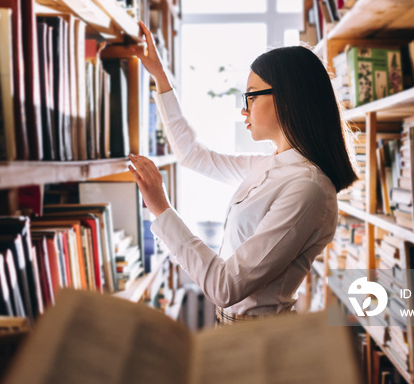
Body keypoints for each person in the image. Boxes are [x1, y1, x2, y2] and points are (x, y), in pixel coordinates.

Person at [129, 21, 358, 325]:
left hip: (259, 340)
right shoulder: (272, 165)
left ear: (287, 99)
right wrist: (160, 76)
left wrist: (160, 207)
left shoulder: (307, 189)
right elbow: (193, 155)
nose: (244, 110)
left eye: (252, 95)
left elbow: (225, 287)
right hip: (233, 327)